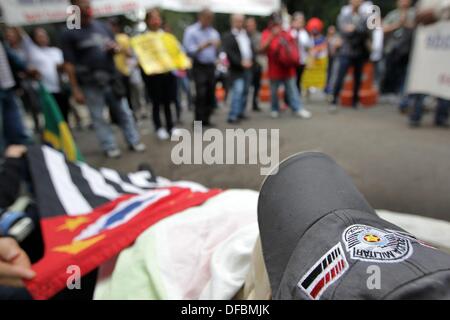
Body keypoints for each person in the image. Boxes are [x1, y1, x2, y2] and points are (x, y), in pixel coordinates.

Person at [139, 9, 182, 140]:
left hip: (168, 74)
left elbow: (176, 53)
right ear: (147, 21)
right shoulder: (142, 39)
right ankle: (159, 127)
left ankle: (171, 126)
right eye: (153, 18)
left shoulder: (167, 37)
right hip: (152, 76)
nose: (156, 21)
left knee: (169, 101)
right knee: (156, 103)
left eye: (158, 18)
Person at [260, 13, 312, 119]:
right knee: (274, 91)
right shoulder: (266, 33)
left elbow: (294, 47)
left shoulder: (286, 33)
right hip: (274, 69)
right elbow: (262, 49)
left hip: (288, 68)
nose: (277, 24)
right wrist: (272, 36)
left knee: (292, 89)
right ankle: (274, 108)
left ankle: (297, 108)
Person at [408, 0, 450, 128]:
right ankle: (416, 115)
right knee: (422, 79)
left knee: (444, 80)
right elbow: (417, 17)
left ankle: (441, 116)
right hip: (428, 47)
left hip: (443, 47)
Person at [183, 8, 220, 127]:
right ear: (200, 17)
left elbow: (217, 49)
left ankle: (206, 119)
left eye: (211, 18)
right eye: (207, 18)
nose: (209, 21)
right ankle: (198, 122)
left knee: (210, 92)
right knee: (201, 93)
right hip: (199, 66)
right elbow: (188, 50)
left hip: (211, 66)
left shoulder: (213, 32)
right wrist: (202, 46)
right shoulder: (191, 31)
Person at [331, 0, 371, 110]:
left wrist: (354, 29)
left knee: (358, 78)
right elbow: (343, 31)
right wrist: (355, 30)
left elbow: (366, 31)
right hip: (346, 52)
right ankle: (334, 100)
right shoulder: (344, 16)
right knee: (340, 76)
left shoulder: (364, 17)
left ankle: (355, 101)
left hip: (359, 52)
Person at [0, 39, 32, 154]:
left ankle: (21, 156)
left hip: (8, 87)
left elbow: (13, 58)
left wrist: (27, 69)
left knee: (16, 126)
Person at [382, 0, 415, 112]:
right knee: (392, 73)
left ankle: (403, 99)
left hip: (410, 50)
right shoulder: (393, 14)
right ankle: (393, 94)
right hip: (393, 50)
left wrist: (406, 24)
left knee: (406, 75)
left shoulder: (414, 13)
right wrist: (397, 25)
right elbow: (384, 28)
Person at [223, 14, 255, 124]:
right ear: (232, 22)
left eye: (241, 21)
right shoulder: (228, 36)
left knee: (246, 91)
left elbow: (251, 49)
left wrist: (251, 61)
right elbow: (229, 53)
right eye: (237, 21)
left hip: (248, 67)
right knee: (238, 91)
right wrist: (241, 63)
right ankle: (233, 115)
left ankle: (241, 112)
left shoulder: (246, 34)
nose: (240, 23)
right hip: (236, 69)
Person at [290, 12, 313, 95]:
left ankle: (297, 99)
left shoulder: (305, 33)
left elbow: (309, 47)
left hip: (301, 60)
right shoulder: (290, 32)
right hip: (291, 61)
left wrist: (310, 60)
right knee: (291, 81)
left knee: (298, 81)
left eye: (301, 21)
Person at [246, 17, 263, 112]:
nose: (250, 27)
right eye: (248, 25)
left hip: (257, 64)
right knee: (246, 85)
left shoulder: (258, 36)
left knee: (257, 85)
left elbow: (260, 49)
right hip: (247, 64)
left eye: (251, 25)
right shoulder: (243, 36)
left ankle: (255, 103)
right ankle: (245, 105)